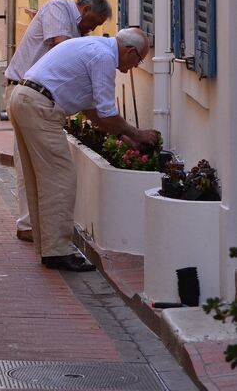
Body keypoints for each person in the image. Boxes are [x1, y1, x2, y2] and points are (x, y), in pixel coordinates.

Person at [8, 27, 159, 272]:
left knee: (41, 179)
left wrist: (122, 136)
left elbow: (92, 111)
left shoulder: (94, 47)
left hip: (24, 98)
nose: (134, 66)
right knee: (60, 180)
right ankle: (57, 252)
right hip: (40, 107)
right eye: (138, 60)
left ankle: (49, 249)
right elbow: (107, 112)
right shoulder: (104, 58)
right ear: (130, 51)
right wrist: (138, 133)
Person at [4, 0, 112, 242]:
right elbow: (63, 46)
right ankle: (30, 224)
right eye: (93, 22)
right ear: (84, 9)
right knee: (30, 163)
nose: (92, 29)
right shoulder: (57, 8)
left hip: (38, 97)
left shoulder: (77, 29)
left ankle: (32, 224)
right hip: (27, 90)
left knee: (31, 161)